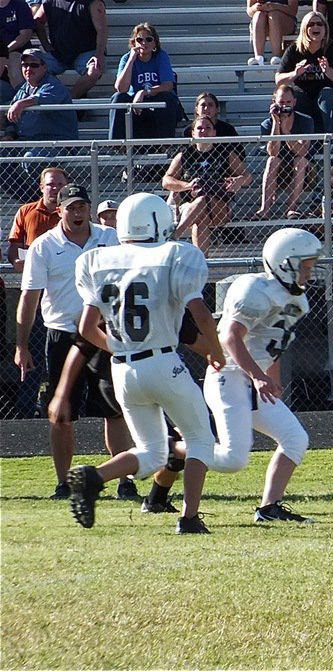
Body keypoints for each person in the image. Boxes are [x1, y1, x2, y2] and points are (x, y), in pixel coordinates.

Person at [64, 193, 224, 532]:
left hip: (123, 369)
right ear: (158, 221)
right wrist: (217, 350)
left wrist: (119, 348)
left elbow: (86, 328)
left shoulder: (98, 260)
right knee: (200, 439)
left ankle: (93, 477)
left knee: (152, 452)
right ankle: (189, 518)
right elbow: (200, 313)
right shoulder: (176, 255)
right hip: (163, 361)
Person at [185, 228, 324, 531]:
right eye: (306, 266)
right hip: (229, 377)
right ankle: (175, 449)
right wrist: (259, 377)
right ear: (285, 263)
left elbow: (271, 345)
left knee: (295, 439)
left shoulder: (294, 299)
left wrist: (271, 381)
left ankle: (269, 508)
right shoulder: (254, 289)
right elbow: (230, 337)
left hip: (253, 380)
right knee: (233, 459)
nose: (310, 273)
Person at [13, 183, 136, 500]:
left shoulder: (109, 238)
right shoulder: (44, 246)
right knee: (61, 411)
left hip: (104, 333)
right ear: (59, 211)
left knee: (114, 409)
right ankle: (64, 482)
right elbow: (29, 297)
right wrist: (22, 345)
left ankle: (124, 481)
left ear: (89, 208)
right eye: (71, 207)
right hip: (63, 334)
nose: (77, 212)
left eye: (82, 206)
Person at [163, 116, 252, 254]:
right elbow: (166, 180)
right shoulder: (184, 155)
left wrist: (238, 181)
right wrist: (188, 186)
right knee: (200, 219)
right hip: (188, 206)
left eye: (208, 128)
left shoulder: (225, 153)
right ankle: (202, 261)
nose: (204, 131)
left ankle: (175, 235)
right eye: (199, 128)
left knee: (203, 200)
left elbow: (247, 177)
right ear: (193, 133)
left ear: (214, 132)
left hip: (219, 205)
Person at [0, 48, 78, 203]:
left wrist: (21, 103)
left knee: (31, 160)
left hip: (56, 142)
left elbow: (43, 98)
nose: (28, 68)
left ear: (44, 67)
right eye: (25, 65)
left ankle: (47, 201)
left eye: (34, 65)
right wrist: (10, 134)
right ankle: (33, 201)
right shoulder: (23, 89)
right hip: (26, 141)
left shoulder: (53, 85)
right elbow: (12, 118)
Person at [276, 11, 333, 134]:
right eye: (311, 24)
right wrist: (295, 73)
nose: (316, 27)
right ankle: (299, 142)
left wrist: (328, 71)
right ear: (304, 29)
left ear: (325, 28)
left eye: (319, 24)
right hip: (306, 102)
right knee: (294, 97)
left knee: (327, 93)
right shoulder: (294, 50)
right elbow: (279, 81)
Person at [108, 22, 180, 141]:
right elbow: (121, 88)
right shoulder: (126, 58)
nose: (144, 43)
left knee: (167, 97)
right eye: (139, 40)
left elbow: (168, 85)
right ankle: (117, 146)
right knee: (118, 97)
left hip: (156, 103)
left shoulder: (161, 56)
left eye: (148, 39)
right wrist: (131, 60)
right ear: (134, 43)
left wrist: (143, 92)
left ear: (155, 43)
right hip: (135, 107)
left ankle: (166, 145)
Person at [254, 84, 315, 220]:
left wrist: (286, 131)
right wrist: (276, 124)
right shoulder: (267, 124)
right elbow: (272, 152)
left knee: (300, 161)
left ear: (294, 102)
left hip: (305, 170)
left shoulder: (305, 121)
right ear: (274, 102)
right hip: (280, 169)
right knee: (272, 160)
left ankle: (292, 208)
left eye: (288, 102)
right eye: (281, 102)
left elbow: (302, 151)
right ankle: (265, 209)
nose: (285, 106)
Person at [34, 0, 105, 99]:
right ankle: (58, 94)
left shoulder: (93, 2)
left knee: (94, 71)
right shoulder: (50, 1)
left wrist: (99, 55)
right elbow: (37, 21)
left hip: (85, 52)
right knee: (33, 68)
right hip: (58, 53)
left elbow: (102, 29)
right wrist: (45, 44)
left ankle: (70, 98)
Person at [6, 165, 66, 272]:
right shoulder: (25, 211)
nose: (56, 188)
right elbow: (15, 244)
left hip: (65, 270)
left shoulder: (75, 213)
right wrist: (16, 261)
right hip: (35, 270)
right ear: (41, 187)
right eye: (50, 184)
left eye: (60, 184)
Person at [247, 0, 298, 66]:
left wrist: (275, 6)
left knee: (274, 15)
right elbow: (249, 11)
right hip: (262, 21)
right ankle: (258, 57)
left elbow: (293, 10)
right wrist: (255, 8)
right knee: (259, 15)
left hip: (285, 21)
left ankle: (276, 56)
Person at [0, 0, 35, 95]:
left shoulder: (20, 5)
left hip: (17, 51)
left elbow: (25, 34)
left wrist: (5, 51)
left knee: (14, 63)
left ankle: (22, 96)